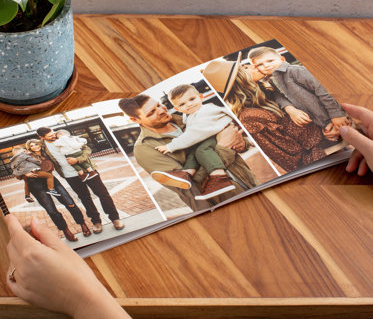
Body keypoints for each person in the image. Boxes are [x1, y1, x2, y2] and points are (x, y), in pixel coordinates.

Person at [5, 102, 373, 317]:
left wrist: (82, 301)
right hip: (214, 220)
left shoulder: (192, 121)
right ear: (137, 122)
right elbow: (187, 182)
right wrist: (225, 149)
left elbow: (223, 141)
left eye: (163, 105)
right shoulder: (146, 148)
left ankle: (100, 219)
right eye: (151, 110)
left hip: (247, 191)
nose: (164, 111)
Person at [118, 94, 259, 212]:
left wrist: (242, 142)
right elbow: (187, 187)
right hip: (221, 202)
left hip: (248, 181)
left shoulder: (189, 117)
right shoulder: (144, 149)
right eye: (151, 112)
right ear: (134, 120)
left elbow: (232, 134)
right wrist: (223, 147)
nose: (161, 110)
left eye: (159, 105)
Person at [203, 55, 328, 172]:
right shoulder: (249, 116)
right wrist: (325, 130)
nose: (254, 66)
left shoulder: (268, 91)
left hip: (328, 136)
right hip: (318, 155)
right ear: (240, 80)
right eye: (245, 67)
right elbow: (289, 154)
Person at [152, 84, 236, 200]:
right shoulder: (190, 115)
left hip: (220, 133)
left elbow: (194, 134)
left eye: (192, 99)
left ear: (200, 97)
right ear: (177, 109)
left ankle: (219, 177)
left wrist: (171, 146)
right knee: (194, 151)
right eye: (182, 104)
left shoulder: (206, 110)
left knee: (202, 150)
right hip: (210, 135)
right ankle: (187, 174)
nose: (189, 104)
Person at [247, 46, 351, 140]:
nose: (266, 66)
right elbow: (278, 97)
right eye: (260, 64)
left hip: (334, 115)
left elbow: (322, 90)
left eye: (270, 60)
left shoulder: (295, 71)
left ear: (282, 59)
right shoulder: (271, 80)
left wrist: (336, 114)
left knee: (353, 134)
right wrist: (290, 110)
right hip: (320, 122)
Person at [36, 127, 124, 234]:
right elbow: (35, 155)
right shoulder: (43, 146)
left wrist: (78, 159)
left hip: (88, 170)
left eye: (53, 133)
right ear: (42, 137)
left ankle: (115, 218)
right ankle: (96, 221)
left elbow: (87, 149)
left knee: (103, 194)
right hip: (70, 175)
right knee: (84, 198)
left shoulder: (64, 136)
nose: (54, 136)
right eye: (50, 136)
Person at [23, 139, 92, 242]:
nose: (35, 147)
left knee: (70, 203)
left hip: (52, 181)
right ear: (29, 148)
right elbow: (16, 170)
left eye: (36, 144)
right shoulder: (26, 157)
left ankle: (82, 223)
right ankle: (65, 230)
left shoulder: (47, 153)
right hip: (36, 185)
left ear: (40, 145)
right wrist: (24, 173)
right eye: (32, 146)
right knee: (52, 211)